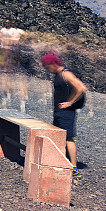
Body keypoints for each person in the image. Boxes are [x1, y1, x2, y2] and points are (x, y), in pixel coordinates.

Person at [41, 52, 87, 183]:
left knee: (68, 138)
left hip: (66, 112)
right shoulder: (58, 75)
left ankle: (74, 167)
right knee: (60, 136)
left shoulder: (66, 73)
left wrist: (70, 102)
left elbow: (81, 88)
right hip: (60, 111)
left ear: (52, 64)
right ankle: (62, 162)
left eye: (46, 66)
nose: (46, 69)